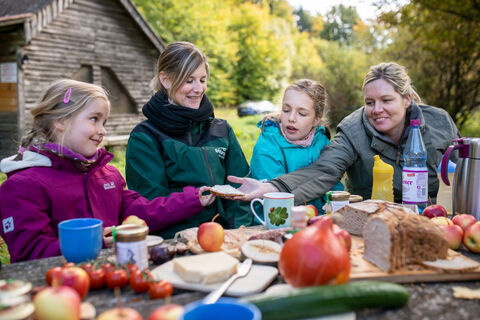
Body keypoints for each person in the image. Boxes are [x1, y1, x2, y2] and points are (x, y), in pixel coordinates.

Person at [0, 79, 215, 262]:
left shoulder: (107, 175)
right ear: (61, 121)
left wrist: (192, 199)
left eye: (104, 122)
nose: (102, 131)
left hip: (112, 278)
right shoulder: (22, 186)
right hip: (61, 291)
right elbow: (29, 252)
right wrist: (95, 243)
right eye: (94, 119)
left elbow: (142, 212)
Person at [228, 62, 461, 205]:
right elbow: (323, 171)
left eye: (386, 100)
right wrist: (274, 187)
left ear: (406, 99)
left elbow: (465, 173)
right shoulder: (353, 130)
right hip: (371, 224)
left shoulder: (440, 123)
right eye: (370, 102)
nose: (377, 110)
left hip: (436, 219)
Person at [125, 41, 252, 239]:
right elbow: (150, 205)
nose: (198, 88)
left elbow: (240, 188)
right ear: (166, 80)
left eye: (202, 79)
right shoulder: (145, 137)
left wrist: (238, 234)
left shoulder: (221, 129)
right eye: (189, 80)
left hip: (225, 238)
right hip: (174, 241)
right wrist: (184, 239)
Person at [250, 79, 343, 213]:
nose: (291, 118)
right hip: (279, 220)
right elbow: (273, 198)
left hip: (320, 220)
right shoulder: (267, 145)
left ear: (316, 119)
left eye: (302, 113)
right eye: (286, 110)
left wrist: (339, 210)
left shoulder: (321, 140)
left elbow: (333, 182)